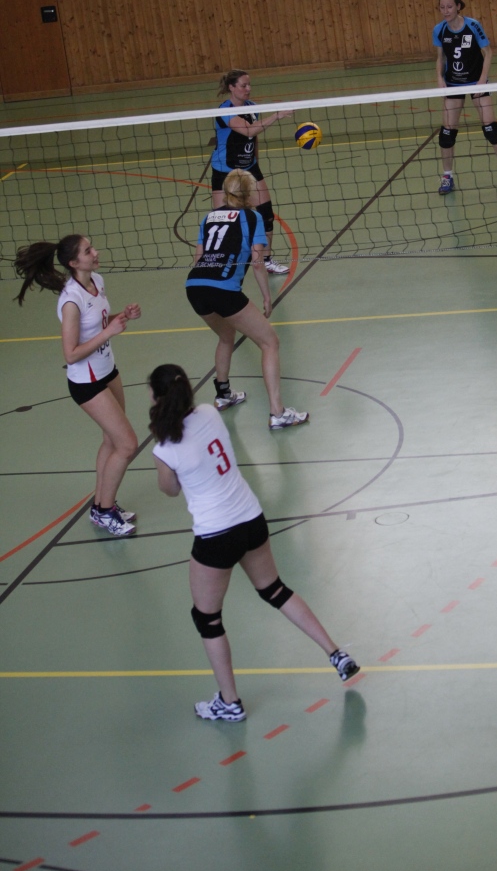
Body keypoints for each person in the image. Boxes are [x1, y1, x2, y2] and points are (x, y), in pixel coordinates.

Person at [149, 363, 359, 722]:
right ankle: (336, 653)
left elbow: (168, 490)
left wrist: (168, 456)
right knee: (275, 590)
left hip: (216, 535)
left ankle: (229, 702)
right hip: (250, 517)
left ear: (157, 398)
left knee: (207, 618)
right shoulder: (209, 412)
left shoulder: (166, 446)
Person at [14, 234, 140, 537]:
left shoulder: (96, 280)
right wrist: (109, 332)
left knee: (111, 440)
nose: (95, 252)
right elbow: (70, 354)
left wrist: (121, 316)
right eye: (87, 251)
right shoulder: (71, 300)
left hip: (108, 370)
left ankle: (100, 505)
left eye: (92, 247)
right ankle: (105, 511)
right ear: (73, 262)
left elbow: (98, 323)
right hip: (87, 381)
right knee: (127, 445)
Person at [187, 168, 308, 429]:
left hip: (195, 286)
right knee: (270, 342)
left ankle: (223, 395)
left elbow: (198, 259)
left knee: (226, 336)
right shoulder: (253, 218)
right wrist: (267, 297)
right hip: (223, 289)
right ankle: (277, 412)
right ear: (248, 193)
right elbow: (257, 262)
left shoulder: (209, 218)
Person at [432, 0, 497, 195]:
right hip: (453, 84)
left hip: (476, 82)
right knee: (446, 134)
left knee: (491, 129)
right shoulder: (439, 30)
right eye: (442, 7)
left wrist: (482, 80)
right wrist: (440, 79)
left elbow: (488, 52)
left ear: (458, 6)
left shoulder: (473, 25)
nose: (445, 11)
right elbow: (440, 58)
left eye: (449, 6)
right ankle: (447, 176)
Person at [213, 69, 291, 275]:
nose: (248, 89)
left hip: (249, 166)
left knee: (266, 214)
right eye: (243, 85)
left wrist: (255, 162)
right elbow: (249, 130)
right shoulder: (225, 110)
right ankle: (220, 263)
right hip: (224, 170)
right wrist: (276, 116)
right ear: (231, 87)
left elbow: (253, 138)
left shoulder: (252, 107)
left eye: (249, 85)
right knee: (221, 220)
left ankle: (266, 260)